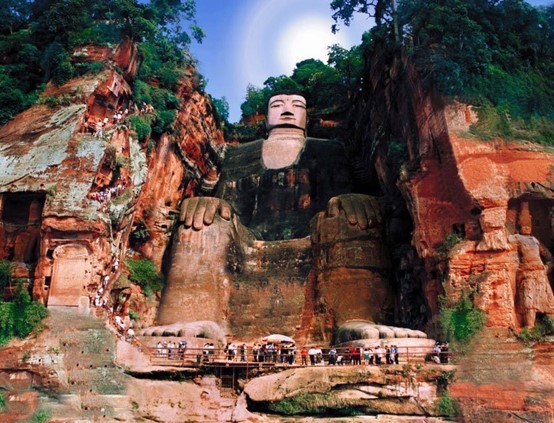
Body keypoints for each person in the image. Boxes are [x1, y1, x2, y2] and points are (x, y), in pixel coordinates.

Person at [156, 92, 382, 327]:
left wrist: (351, 200)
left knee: (351, 214)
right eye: (277, 105)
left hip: (313, 237)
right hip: (247, 242)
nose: (287, 110)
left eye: (297, 105)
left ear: (307, 117)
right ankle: (191, 320)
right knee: (204, 217)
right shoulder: (238, 154)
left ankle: (358, 320)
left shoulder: (329, 149)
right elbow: (229, 207)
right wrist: (209, 203)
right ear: (265, 119)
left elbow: (335, 197)